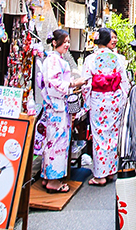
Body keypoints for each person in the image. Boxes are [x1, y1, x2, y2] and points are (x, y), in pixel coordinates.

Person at [79, 27, 130, 186]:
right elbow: (124, 82)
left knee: (99, 135)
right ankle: (110, 171)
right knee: (113, 135)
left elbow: (86, 84)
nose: (114, 40)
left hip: (98, 100)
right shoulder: (118, 58)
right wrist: (123, 99)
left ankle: (100, 175)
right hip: (115, 100)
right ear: (106, 39)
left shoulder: (91, 59)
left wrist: (86, 103)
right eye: (112, 37)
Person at [36, 29, 83, 193]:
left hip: (55, 105)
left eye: (69, 41)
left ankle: (47, 175)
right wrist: (72, 84)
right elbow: (53, 82)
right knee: (57, 142)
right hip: (57, 105)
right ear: (55, 42)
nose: (67, 45)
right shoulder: (54, 60)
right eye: (65, 41)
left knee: (51, 141)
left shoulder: (54, 59)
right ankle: (54, 180)